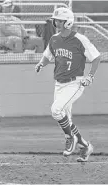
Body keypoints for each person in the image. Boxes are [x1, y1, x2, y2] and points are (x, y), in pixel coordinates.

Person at [35, 7, 101, 162]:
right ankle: (85, 145)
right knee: (67, 119)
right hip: (59, 84)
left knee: (56, 110)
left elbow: (96, 57)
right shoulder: (54, 39)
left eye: (59, 20)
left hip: (75, 83)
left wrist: (90, 76)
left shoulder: (80, 39)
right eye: (56, 20)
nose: (55, 22)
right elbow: (47, 56)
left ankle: (70, 138)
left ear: (68, 22)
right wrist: (40, 64)